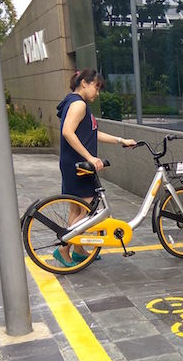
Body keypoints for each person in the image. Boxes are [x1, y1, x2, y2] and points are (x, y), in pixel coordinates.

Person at [54, 68, 137, 267]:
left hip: (72, 162)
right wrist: (90, 157)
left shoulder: (73, 101)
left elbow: (92, 134)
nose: (97, 93)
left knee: (77, 209)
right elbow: (68, 132)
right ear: (84, 82)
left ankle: (79, 249)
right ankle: (63, 248)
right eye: (96, 87)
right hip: (78, 165)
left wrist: (120, 140)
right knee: (87, 210)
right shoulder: (78, 104)